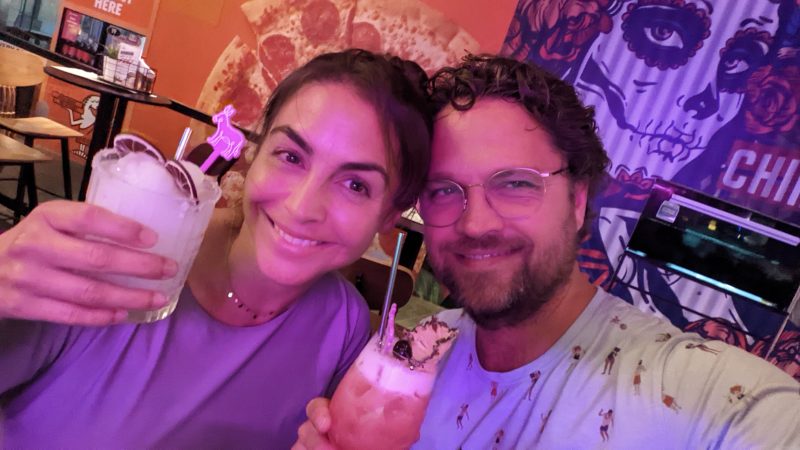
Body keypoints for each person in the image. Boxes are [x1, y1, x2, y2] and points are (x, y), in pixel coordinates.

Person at [293, 55, 800, 449]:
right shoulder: (422, 350)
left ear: (578, 201)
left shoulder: (703, 397)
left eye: (516, 183)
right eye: (444, 190)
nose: (476, 223)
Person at [0, 49, 432, 448]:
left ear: (390, 215)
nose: (302, 208)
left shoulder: (343, 323)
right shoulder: (110, 257)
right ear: (255, 153)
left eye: (355, 185)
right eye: (290, 157)